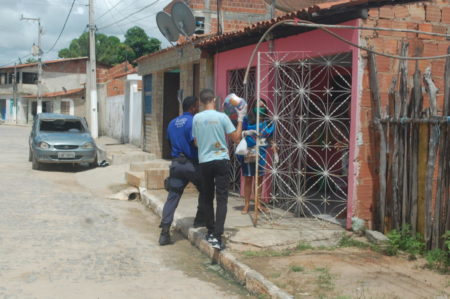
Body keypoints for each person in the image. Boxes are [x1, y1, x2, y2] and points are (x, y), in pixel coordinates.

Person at [192, 89, 246, 250]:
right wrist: (241, 119)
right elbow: (236, 138)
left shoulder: (196, 118)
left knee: (207, 197)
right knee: (222, 199)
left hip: (205, 162)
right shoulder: (222, 117)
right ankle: (218, 235)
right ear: (214, 100)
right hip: (221, 160)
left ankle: (210, 231)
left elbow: (196, 143)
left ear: (201, 102)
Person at [159, 96, 204, 246]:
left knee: (173, 197)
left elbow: (169, 142)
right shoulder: (193, 122)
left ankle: (164, 233)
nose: (198, 109)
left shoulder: (172, 123)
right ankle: (199, 220)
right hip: (191, 164)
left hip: (176, 164)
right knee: (205, 189)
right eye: (197, 106)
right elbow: (195, 142)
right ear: (192, 108)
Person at [239, 98, 275, 214]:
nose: (261, 108)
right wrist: (246, 133)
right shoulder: (247, 119)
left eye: (263, 106)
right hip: (249, 151)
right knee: (249, 178)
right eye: (258, 106)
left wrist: (274, 147)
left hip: (262, 152)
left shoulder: (269, 121)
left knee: (259, 179)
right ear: (253, 107)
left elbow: (270, 137)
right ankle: (246, 204)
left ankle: (258, 204)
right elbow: (238, 133)